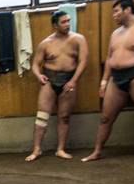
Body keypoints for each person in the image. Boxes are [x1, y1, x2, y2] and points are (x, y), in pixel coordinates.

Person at [82, 0, 134, 162]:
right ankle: (97, 151)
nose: (114, 15)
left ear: (127, 10)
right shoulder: (116, 33)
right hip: (116, 79)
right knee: (105, 119)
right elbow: (110, 59)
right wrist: (104, 81)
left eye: (116, 11)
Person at [26, 11, 89, 161]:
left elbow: (83, 61)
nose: (67, 24)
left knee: (64, 117)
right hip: (49, 81)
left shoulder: (78, 39)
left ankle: (60, 149)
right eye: (63, 22)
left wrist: (73, 80)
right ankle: (37, 149)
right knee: (41, 117)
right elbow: (35, 64)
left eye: (68, 21)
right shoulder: (46, 43)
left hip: (69, 80)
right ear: (55, 25)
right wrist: (38, 75)